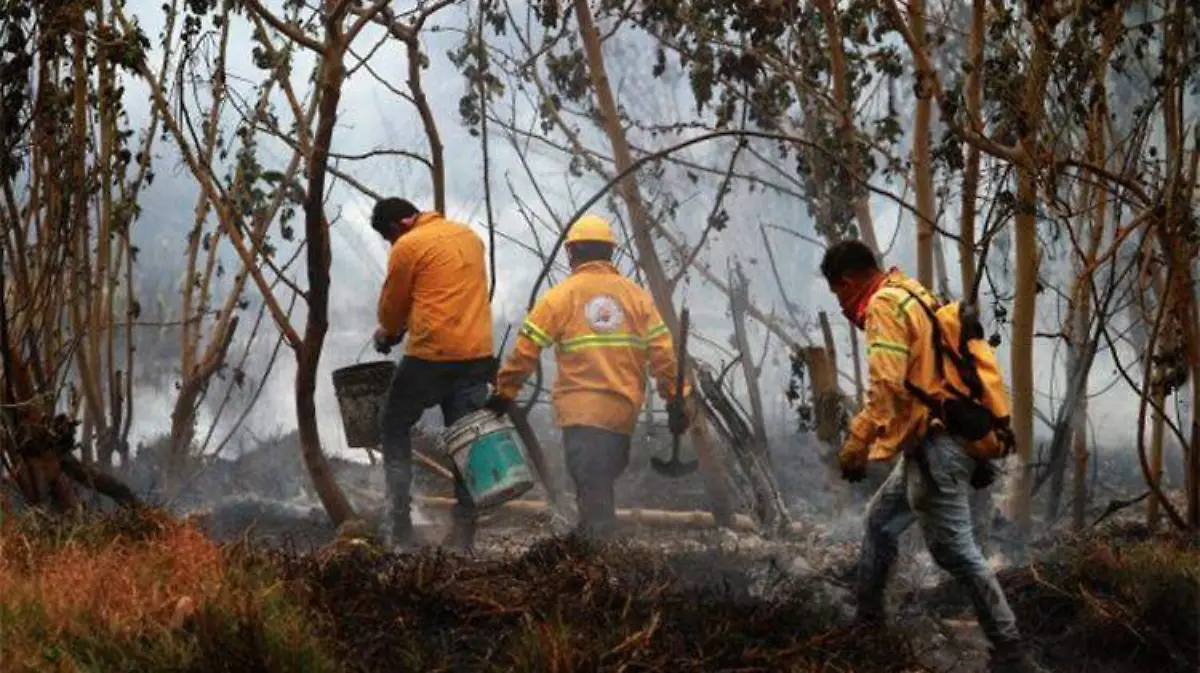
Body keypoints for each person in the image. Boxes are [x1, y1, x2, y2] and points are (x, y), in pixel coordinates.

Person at [821, 239, 1045, 673]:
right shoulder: (912, 292)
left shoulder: (884, 306)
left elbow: (886, 388)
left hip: (937, 446)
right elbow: (937, 376)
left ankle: (1012, 652)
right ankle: (867, 624)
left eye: (838, 295)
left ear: (847, 283)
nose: (843, 308)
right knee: (880, 521)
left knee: (955, 551)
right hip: (935, 439)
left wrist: (856, 444)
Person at [485, 214, 690, 540]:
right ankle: (595, 544)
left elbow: (527, 349)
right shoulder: (637, 298)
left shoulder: (560, 297)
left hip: (580, 412)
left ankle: (599, 552)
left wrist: (505, 391)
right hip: (621, 413)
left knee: (592, 484)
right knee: (599, 481)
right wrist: (676, 397)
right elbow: (664, 354)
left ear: (572, 253)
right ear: (611, 252)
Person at [371, 197, 495, 551]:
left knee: (393, 424)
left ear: (395, 229)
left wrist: (387, 333)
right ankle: (464, 533)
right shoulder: (469, 236)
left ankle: (400, 522)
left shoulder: (407, 246)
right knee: (464, 439)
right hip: (476, 354)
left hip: (432, 354)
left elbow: (392, 313)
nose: (391, 245)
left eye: (388, 238)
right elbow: (443, 293)